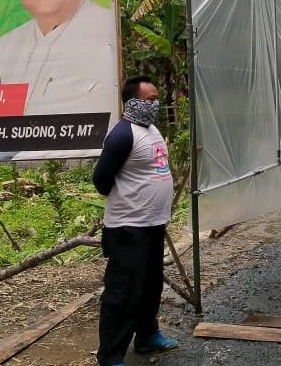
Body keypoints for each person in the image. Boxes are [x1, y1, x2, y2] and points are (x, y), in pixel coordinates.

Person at [92, 75, 178, 366]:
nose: (155, 104)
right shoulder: (122, 134)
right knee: (123, 292)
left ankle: (147, 336)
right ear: (133, 102)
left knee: (151, 284)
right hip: (129, 228)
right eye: (150, 100)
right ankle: (111, 356)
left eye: (156, 99)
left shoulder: (151, 129)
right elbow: (101, 179)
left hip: (153, 224)